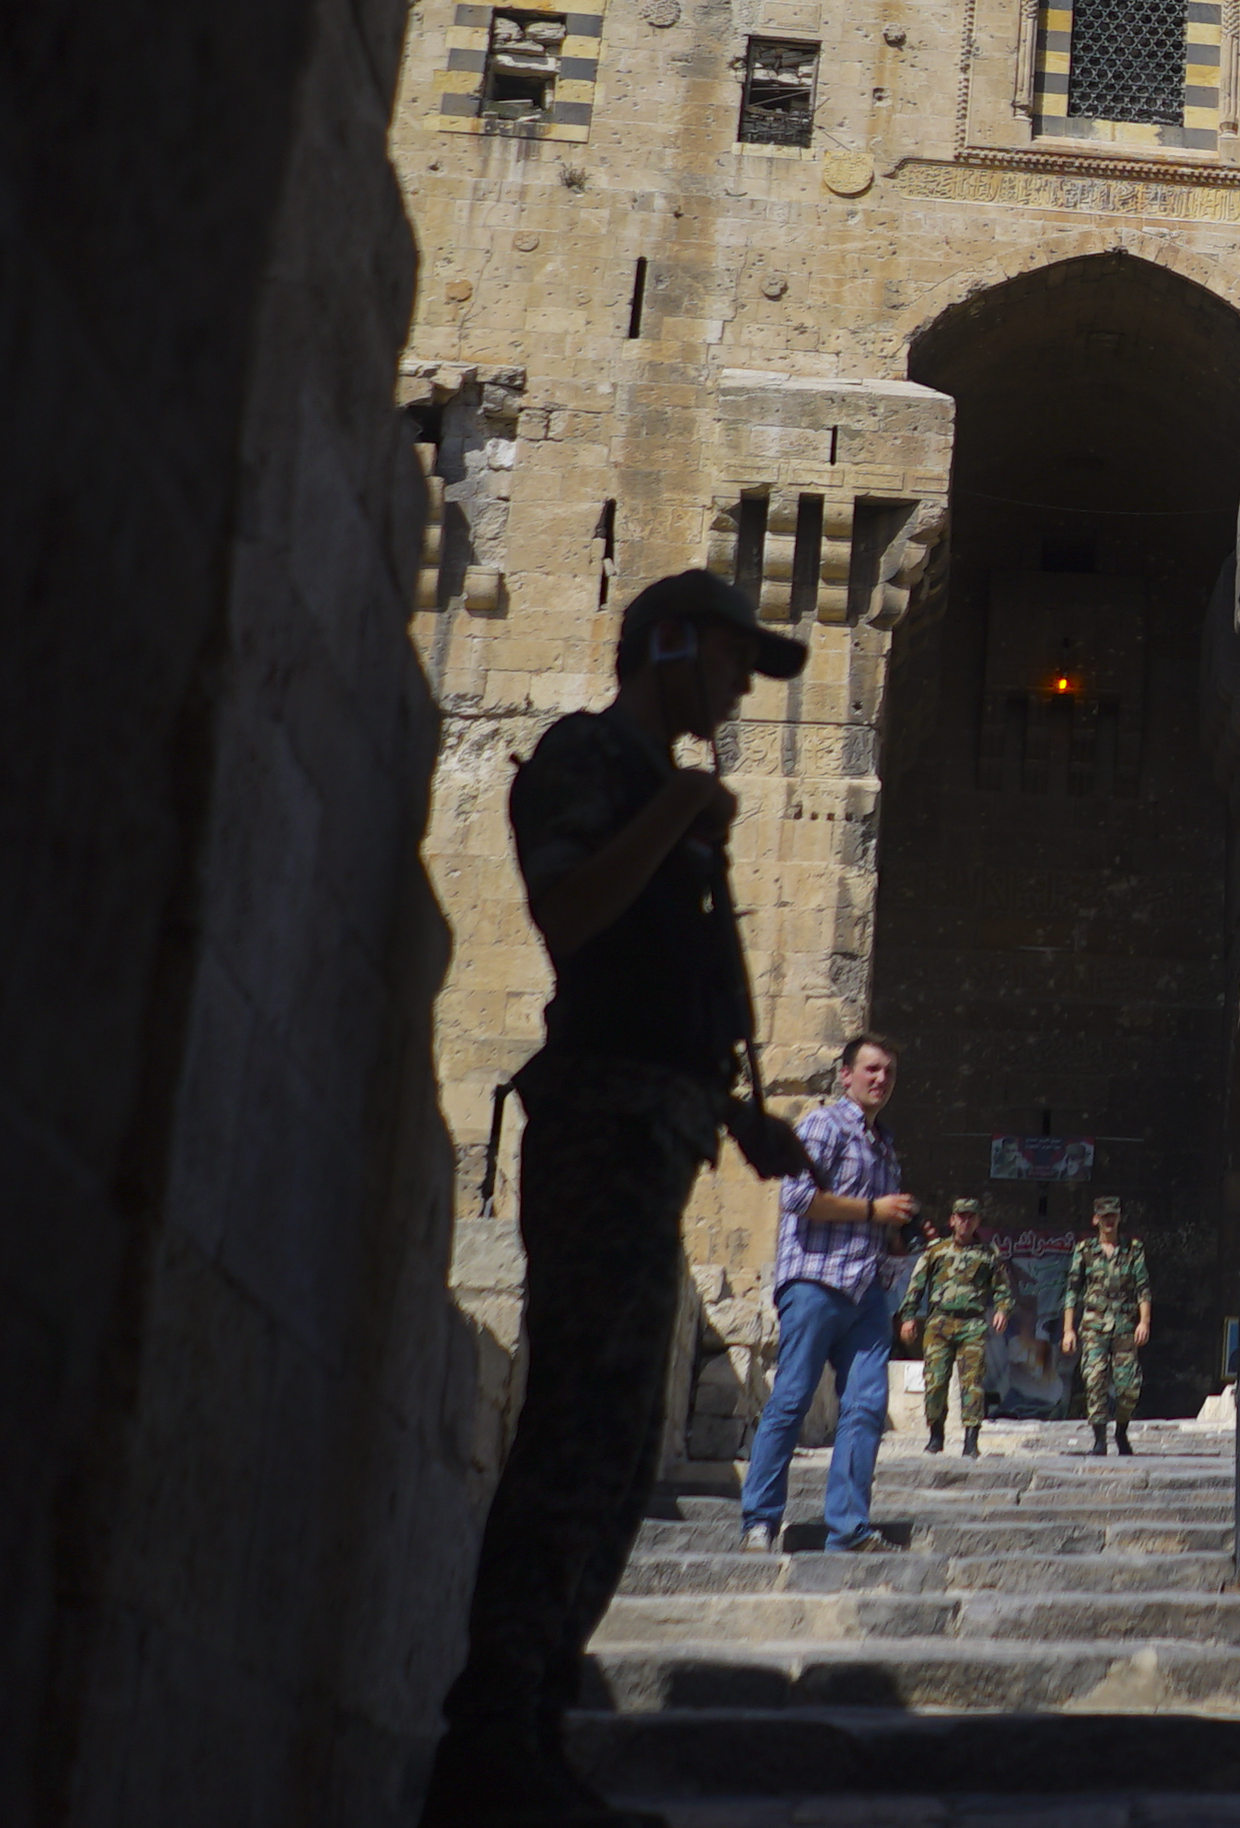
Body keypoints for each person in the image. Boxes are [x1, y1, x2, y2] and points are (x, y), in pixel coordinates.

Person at [426, 569, 814, 1828]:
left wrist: (741, 1117)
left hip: (655, 1133)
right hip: (598, 1132)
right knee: (576, 1433)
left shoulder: (665, 796)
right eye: (731, 657)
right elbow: (567, 910)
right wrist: (676, 818)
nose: (744, 685)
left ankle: (533, 1730)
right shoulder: (592, 758)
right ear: (667, 645)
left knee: (613, 1440)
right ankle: (492, 1735)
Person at [736, 1033, 913, 1552]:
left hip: (867, 1291)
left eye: (889, 1073)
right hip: (815, 1280)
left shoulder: (887, 1145)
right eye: (872, 1069)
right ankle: (760, 1519)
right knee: (791, 1398)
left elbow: (877, 1218)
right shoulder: (823, 1125)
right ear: (847, 1074)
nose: (881, 1079)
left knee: (864, 1408)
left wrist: (896, 1231)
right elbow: (798, 1196)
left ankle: (849, 1527)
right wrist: (871, 1211)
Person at [902, 1196, 1019, 1458]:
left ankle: (971, 1440)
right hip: (939, 1324)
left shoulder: (988, 1253)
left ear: (977, 1221)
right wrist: (909, 1316)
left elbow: (1002, 1287)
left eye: (971, 1217)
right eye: (961, 1216)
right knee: (935, 1381)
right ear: (952, 1220)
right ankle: (936, 1436)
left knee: (973, 1383)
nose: (965, 1222)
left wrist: (1002, 1309)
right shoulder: (936, 1251)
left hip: (972, 1324)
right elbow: (916, 1285)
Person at [1060, 1196, 1153, 1456]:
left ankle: (1121, 1430)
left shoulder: (1133, 1249)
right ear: (1096, 1220)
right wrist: (1068, 1329)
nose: (1109, 1221)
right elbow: (1071, 1291)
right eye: (1104, 1216)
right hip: (1093, 1325)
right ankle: (1099, 1439)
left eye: (1113, 1215)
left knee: (1128, 1386)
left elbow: (1143, 1289)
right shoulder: (1085, 1250)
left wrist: (1144, 1322)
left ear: (1119, 1218)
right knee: (1095, 1380)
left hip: (1124, 1325)